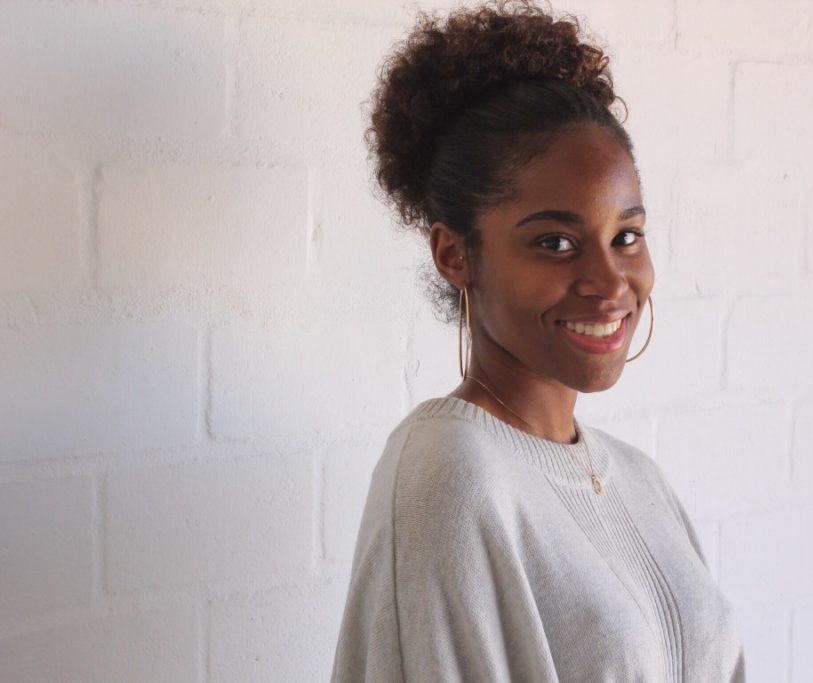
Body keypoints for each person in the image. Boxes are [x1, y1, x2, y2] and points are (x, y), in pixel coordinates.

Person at [330, 1, 746, 681]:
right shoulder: (452, 472)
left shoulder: (638, 478)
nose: (610, 283)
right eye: (556, 242)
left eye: (626, 237)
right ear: (455, 253)